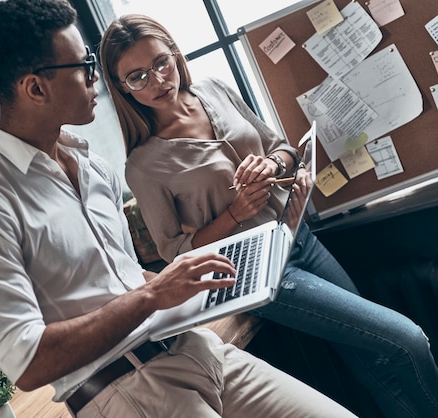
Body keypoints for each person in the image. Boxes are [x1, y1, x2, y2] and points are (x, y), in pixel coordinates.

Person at [0, 1, 359, 417]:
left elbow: (128, 277)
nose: (95, 79)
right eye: (83, 66)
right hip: (126, 391)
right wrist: (155, 292)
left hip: (196, 348)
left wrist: (213, 284)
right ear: (35, 88)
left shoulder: (93, 168)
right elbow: (28, 363)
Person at [99, 13, 438, 418]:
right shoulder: (142, 165)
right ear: (121, 88)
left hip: (301, 239)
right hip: (257, 274)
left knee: (371, 360)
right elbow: (175, 253)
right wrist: (234, 214)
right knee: (407, 339)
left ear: (174, 55)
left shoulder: (215, 88)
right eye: (137, 77)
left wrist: (272, 165)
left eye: (160, 63)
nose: (156, 81)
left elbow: (283, 148)